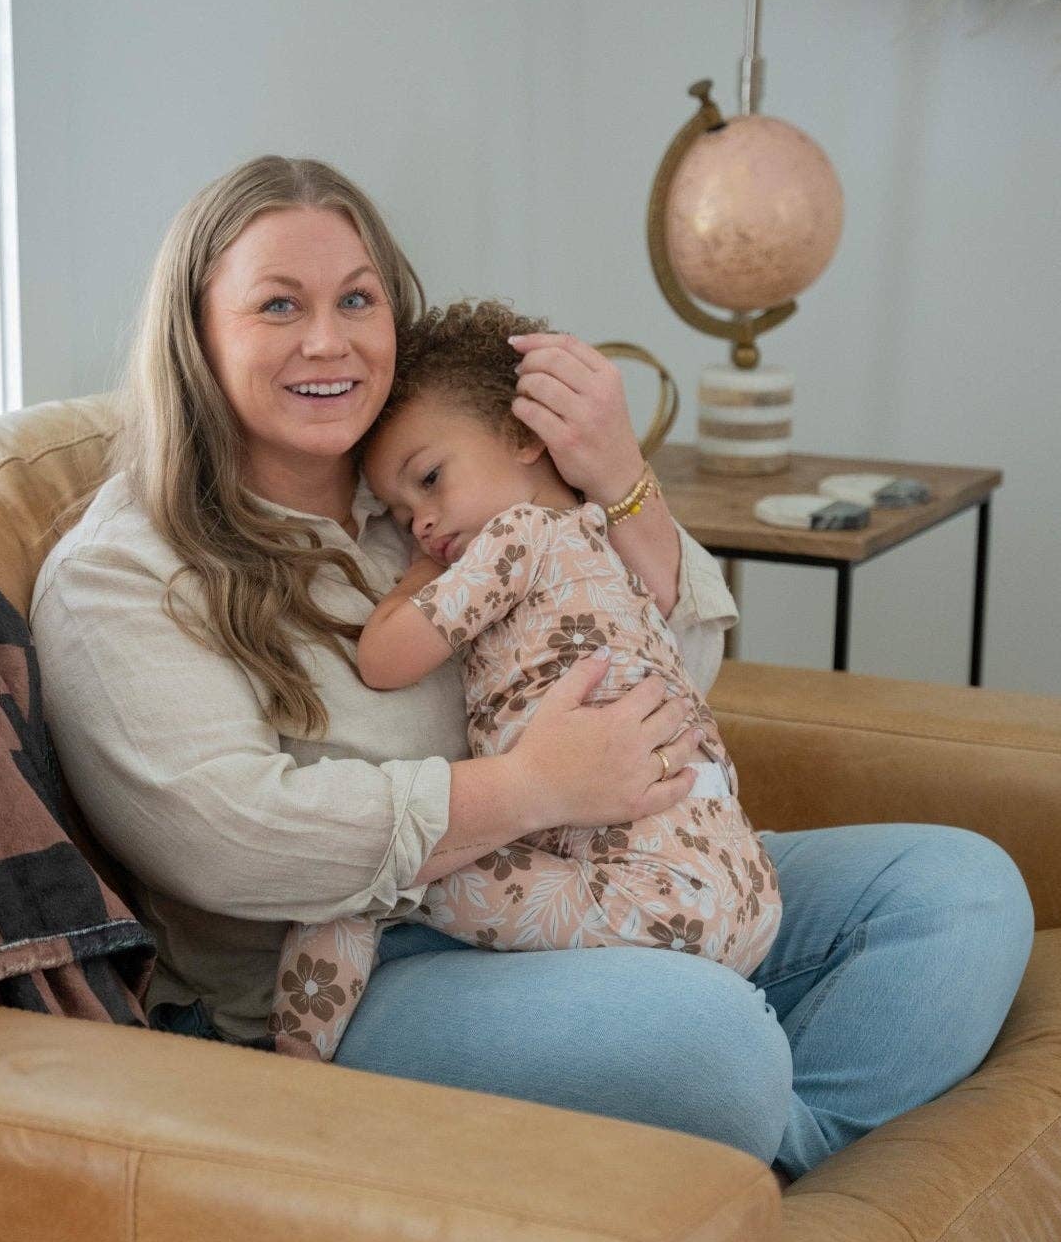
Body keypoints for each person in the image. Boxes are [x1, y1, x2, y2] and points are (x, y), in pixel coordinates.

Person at [30, 154, 1034, 1181]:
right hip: (372, 966)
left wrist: (621, 481)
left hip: (604, 865)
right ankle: (741, 1122)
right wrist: (527, 786)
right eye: (277, 305)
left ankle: (775, 1161)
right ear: (194, 333)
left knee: (960, 887)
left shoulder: (416, 484)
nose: (327, 340)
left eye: (357, 299)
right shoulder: (123, 574)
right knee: (717, 1043)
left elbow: (669, 675)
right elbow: (228, 843)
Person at [268, 300, 781, 1061]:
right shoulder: (604, 542)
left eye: (431, 481)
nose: (423, 526)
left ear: (524, 437)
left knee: (363, 892)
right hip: (741, 890)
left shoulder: (517, 539)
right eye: (403, 516)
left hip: (635, 891)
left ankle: (288, 1075)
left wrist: (415, 576)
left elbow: (385, 659)